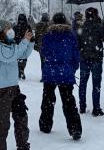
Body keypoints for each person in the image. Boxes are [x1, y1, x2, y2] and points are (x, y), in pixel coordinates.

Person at [0, 17, 34, 150]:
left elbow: (23, 54)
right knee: (3, 124)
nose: (11, 30)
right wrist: (24, 41)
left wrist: (30, 41)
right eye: (7, 28)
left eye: (10, 27)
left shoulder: (12, 45)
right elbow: (10, 56)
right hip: (2, 91)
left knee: (21, 117)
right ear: (0, 31)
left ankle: (22, 145)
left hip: (14, 88)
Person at [39, 12, 82, 141]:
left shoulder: (47, 36)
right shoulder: (71, 36)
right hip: (66, 73)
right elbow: (76, 57)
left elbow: (43, 52)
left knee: (48, 99)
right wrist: (71, 69)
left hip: (50, 73)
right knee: (69, 101)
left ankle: (45, 125)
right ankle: (75, 129)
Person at [77, 7, 104, 116]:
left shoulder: (81, 27)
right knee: (96, 84)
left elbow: (77, 44)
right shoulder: (100, 26)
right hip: (96, 58)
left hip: (84, 58)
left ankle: (82, 106)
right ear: (96, 15)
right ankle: (96, 108)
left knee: (83, 83)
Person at [13, 14, 32, 79]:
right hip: (26, 45)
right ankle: (22, 70)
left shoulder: (15, 27)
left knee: (17, 59)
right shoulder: (28, 27)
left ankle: (19, 70)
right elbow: (31, 36)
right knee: (24, 58)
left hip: (17, 46)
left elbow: (12, 37)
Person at [34, 13, 51, 81]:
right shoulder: (50, 25)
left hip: (41, 45)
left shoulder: (38, 25)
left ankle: (43, 75)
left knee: (43, 61)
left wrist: (36, 43)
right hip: (49, 45)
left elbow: (36, 35)